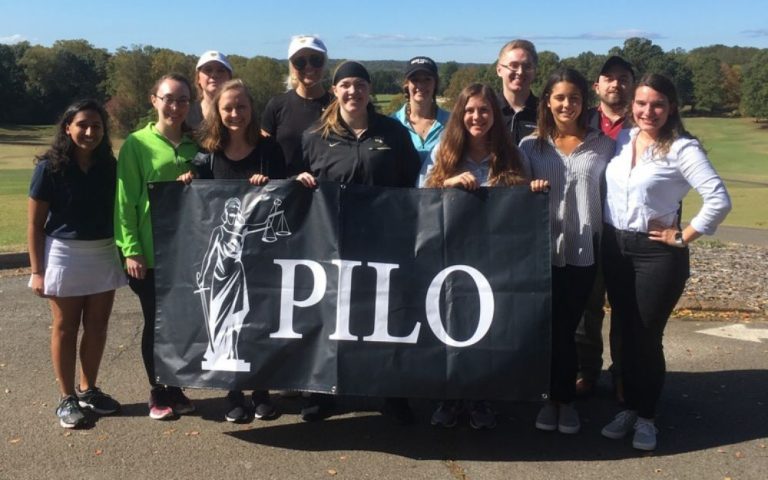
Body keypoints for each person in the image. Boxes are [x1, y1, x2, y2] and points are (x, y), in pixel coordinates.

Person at [600, 73, 731, 451]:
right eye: (641, 103)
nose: (648, 111)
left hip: (656, 254)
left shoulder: (682, 148)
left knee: (646, 337)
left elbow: (718, 199)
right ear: (632, 105)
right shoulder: (624, 139)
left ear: (671, 107)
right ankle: (628, 406)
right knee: (624, 333)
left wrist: (684, 235)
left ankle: (646, 417)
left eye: (657, 104)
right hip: (615, 247)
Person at [297, 61, 421, 424]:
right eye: (345, 85)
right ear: (334, 90)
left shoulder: (393, 133)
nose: (353, 92)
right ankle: (321, 393)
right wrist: (298, 179)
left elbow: (410, 183)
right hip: (331, 246)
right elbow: (296, 186)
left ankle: (393, 392)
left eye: (360, 85)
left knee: (386, 318)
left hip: (385, 242)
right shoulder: (315, 136)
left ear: (369, 90)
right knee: (328, 319)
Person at [178, 79, 286, 423]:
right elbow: (199, 204)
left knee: (258, 319)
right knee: (226, 323)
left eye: (241, 106)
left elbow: (284, 199)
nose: (235, 113)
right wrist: (187, 183)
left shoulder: (270, 150)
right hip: (224, 259)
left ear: (251, 109)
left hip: (262, 257)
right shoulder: (207, 153)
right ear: (217, 111)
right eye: (228, 108)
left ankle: (262, 391)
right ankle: (234, 392)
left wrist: (268, 188)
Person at [423, 83, 528, 429]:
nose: (476, 117)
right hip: (450, 257)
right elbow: (419, 196)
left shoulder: (512, 155)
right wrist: (448, 184)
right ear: (460, 114)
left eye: (484, 110)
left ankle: (482, 399)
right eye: (469, 110)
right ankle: (449, 398)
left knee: (487, 333)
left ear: (494, 115)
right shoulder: (444, 151)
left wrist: (533, 191)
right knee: (450, 327)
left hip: (495, 261)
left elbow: (525, 203)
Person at [520, 68, 616, 435]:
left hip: (583, 249)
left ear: (583, 103)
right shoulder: (530, 146)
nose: (566, 105)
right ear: (547, 101)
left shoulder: (603, 145)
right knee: (550, 327)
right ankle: (553, 399)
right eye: (559, 97)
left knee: (571, 327)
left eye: (573, 98)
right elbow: (515, 191)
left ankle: (564, 399)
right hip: (542, 250)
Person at [27, 100, 128, 429]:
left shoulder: (109, 166)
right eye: (82, 125)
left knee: (98, 326)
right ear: (67, 128)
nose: (89, 132)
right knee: (66, 327)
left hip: (103, 251)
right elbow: (35, 225)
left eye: (96, 126)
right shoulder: (49, 168)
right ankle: (67, 397)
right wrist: (37, 271)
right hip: (64, 254)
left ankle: (88, 389)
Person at [115, 73, 199, 420]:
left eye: (182, 100)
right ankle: (157, 391)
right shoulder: (137, 143)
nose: (175, 106)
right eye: (168, 98)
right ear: (154, 100)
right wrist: (131, 249)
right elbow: (125, 202)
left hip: (189, 252)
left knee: (180, 323)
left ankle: (175, 386)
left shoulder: (198, 144)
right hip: (149, 253)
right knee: (156, 322)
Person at [575, 55, 635, 399]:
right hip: (589, 228)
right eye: (609, 78)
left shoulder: (644, 122)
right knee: (588, 308)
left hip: (628, 232)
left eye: (623, 78)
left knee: (626, 309)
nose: (616, 84)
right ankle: (587, 370)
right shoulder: (582, 122)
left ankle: (623, 373)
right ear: (596, 86)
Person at [261, 35, 333, 176]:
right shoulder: (276, 105)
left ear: (324, 63)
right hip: (285, 192)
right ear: (292, 67)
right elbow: (262, 154)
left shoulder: (337, 106)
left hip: (327, 193)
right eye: (300, 62)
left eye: (315, 60)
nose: (309, 66)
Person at [391, 56, 449, 186]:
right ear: (407, 84)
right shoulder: (392, 123)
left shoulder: (452, 123)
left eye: (427, 79)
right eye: (415, 80)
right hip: (401, 200)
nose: (421, 85)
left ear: (435, 83)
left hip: (440, 200)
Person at [496, 39, 539, 144]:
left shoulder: (546, 113)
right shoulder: (488, 110)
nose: (520, 72)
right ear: (499, 70)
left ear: (534, 71)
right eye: (513, 66)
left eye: (527, 66)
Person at [186, 50, 234, 129]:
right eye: (208, 70)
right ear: (198, 78)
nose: (214, 75)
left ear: (229, 78)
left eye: (220, 71)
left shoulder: (238, 113)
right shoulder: (186, 112)